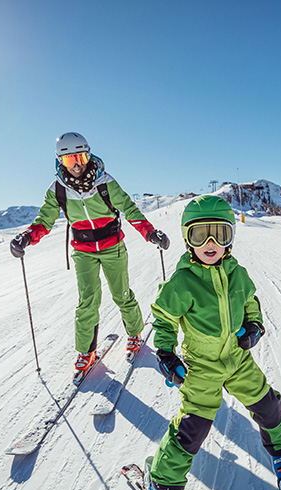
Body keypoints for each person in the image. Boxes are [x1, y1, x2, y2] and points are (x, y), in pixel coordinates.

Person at [146, 195, 281, 490]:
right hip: (201, 366)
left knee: (268, 406)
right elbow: (163, 319)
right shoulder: (182, 282)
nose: (211, 243)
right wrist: (167, 351)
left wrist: (254, 326)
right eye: (201, 235)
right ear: (188, 239)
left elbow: (251, 302)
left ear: (231, 238)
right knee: (193, 427)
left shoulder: (237, 273)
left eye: (220, 234)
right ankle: (164, 482)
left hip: (237, 359)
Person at [9, 132, 170, 379]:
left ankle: (135, 333)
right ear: (59, 162)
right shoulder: (58, 190)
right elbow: (44, 220)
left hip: (112, 246)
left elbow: (129, 208)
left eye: (81, 157)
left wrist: (151, 233)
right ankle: (86, 351)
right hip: (83, 251)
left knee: (122, 294)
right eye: (69, 160)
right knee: (87, 301)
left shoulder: (105, 183)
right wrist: (27, 237)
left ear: (89, 155)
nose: (76, 165)